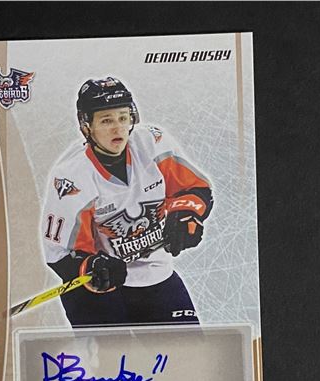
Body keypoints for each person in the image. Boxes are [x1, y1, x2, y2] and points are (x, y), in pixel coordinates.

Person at [42, 76, 213, 328]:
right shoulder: (72, 178)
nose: (118, 129)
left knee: (186, 350)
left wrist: (186, 214)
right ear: (86, 126)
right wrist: (91, 266)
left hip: (155, 275)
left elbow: (196, 189)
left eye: (123, 118)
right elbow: (60, 254)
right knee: (114, 355)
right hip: (98, 289)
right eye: (106, 120)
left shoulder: (152, 144)